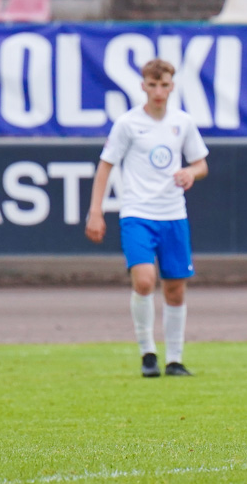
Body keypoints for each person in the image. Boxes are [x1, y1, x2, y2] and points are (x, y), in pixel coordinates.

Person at [85, 59, 209, 378]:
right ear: (142, 86)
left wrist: (190, 172)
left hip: (173, 215)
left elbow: (201, 164)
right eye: (152, 85)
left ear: (172, 86)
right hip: (138, 214)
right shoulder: (128, 124)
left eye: (164, 85)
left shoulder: (183, 122)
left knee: (175, 289)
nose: (158, 91)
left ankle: (175, 359)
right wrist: (96, 211)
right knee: (144, 281)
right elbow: (106, 165)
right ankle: (148, 353)